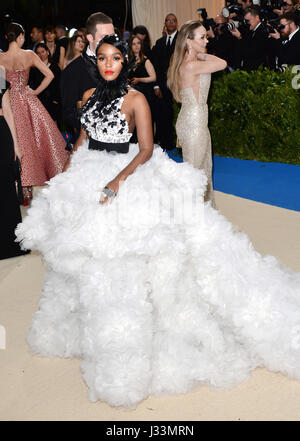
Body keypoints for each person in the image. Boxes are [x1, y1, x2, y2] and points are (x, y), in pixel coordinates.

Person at [16, 33, 300, 409]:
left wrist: (117, 180)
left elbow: (147, 149)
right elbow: (82, 141)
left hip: (128, 174)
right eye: (102, 58)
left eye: (115, 58)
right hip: (87, 174)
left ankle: (140, 330)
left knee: (136, 250)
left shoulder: (136, 99)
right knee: (81, 253)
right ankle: (96, 331)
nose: (108, 64)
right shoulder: (87, 98)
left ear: (125, 62)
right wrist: (64, 178)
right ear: (96, 61)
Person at [0, 23, 68, 204]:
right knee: (34, 143)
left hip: (8, 103)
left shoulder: (0, 58)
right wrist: (35, 92)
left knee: (17, 143)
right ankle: (28, 190)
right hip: (27, 100)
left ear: (7, 37)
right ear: (21, 36)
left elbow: (1, 87)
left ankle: (21, 186)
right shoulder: (29, 55)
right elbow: (50, 75)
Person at [168, 20, 227, 205]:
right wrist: (202, 56)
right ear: (188, 41)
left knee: (202, 172)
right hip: (194, 125)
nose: (207, 40)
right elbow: (222, 63)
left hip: (194, 122)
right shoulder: (192, 65)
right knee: (195, 177)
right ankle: (192, 220)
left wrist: (199, 54)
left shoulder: (186, 62)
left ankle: (202, 219)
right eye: (202, 37)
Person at [60, 12, 114, 139]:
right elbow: (69, 112)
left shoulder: (119, 65)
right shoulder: (72, 71)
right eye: (104, 37)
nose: (110, 42)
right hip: (89, 143)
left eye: (112, 37)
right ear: (90, 38)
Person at [0, 71, 30, 259]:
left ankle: (8, 243)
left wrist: (16, 145)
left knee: (5, 185)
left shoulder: (0, 80)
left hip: (1, 133)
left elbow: (8, 112)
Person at [151, 13, 178, 150]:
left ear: (176, 23)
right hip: (161, 86)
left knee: (175, 115)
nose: (171, 23)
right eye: (168, 20)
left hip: (177, 85)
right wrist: (156, 85)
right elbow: (155, 66)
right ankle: (164, 142)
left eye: (173, 21)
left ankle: (176, 144)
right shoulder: (159, 42)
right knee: (163, 115)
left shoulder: (181, 41)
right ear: (165, 23)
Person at [128, 35, 156, 140]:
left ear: (141, 45)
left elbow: (153, 78)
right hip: (133, 96)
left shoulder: (146, 61)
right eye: (133, 44)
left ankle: (147, 145)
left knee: (145, 121)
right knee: (133, 121)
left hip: (146, 95)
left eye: (138, 43)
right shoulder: (129, 62)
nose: (136, 46)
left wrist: (139, 79)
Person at [29, 43, 62, 125]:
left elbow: (59, 84)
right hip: (39, 100)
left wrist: (56, 99)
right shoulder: (33, 69)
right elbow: (32, 84)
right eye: (38, 53)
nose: (41, 55)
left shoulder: (55, 67)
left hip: (52, 101)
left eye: (42, 52)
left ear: (47, 52)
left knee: (53, 124)